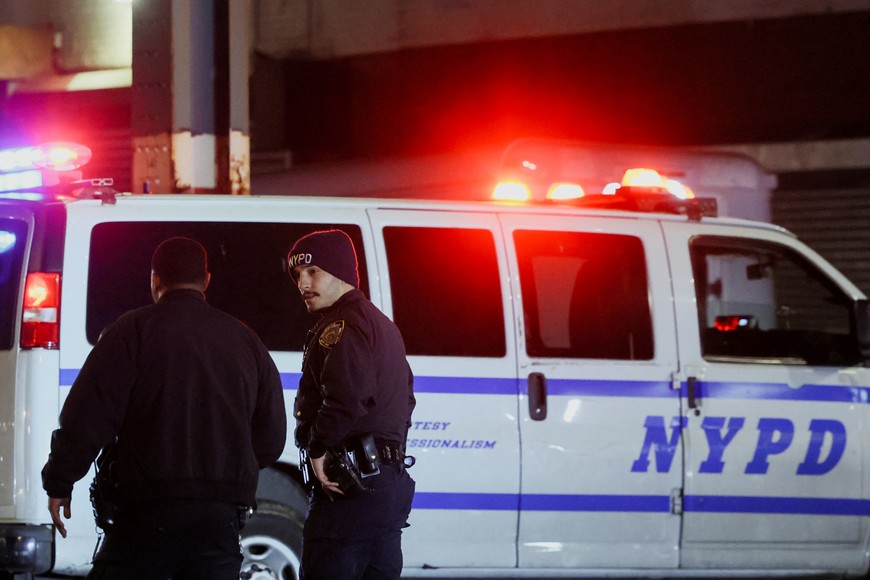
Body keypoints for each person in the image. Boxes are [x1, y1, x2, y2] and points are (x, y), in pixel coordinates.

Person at [41, 236, 287, 580]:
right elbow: (271, 438)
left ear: (155, 280)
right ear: (206, 281)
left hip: (146, 512)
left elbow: (88, 415)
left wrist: (60, 481)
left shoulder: (131, 331)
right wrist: (226, 468)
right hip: (220, 518)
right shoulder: (246, 341)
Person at [288, 229, 416, 580]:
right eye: (297, 274)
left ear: (341, 272)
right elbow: (406, 399)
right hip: (385, 488)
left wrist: (318, 449)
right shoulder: (382, 325)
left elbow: (346, 397)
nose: (303, 283)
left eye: (313, 271)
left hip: (350, 490)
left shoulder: (341, 326)